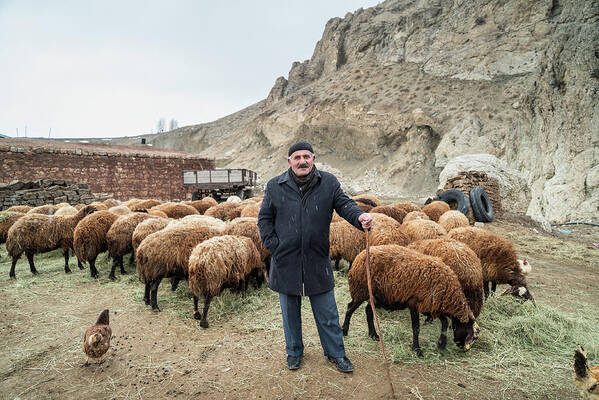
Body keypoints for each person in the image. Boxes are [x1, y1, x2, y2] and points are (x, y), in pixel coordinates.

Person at [257, 141, 372, 372]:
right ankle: (294, 352)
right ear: (290, 161)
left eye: (306, 157)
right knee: (290, 315)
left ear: (313, 159)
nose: (302, 161)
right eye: (297, 157)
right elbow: (264, 219)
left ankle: (336, 353)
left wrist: (359, 217)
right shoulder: (275, 186)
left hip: (317, 259)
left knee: (327, 312)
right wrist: (274, 246)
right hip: (286, 261)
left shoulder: (327, 182)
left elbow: (344, 204)